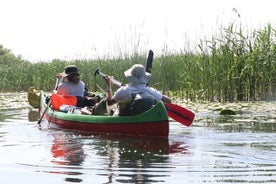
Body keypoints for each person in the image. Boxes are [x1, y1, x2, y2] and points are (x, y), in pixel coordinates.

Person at [103, 64, 171, 116]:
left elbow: (109, 103)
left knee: (118, 108)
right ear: (144, 77)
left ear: (131, 77)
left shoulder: (123, 91)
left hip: (127, 119)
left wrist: (109, 85)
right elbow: (168, 101)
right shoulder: (151, 91)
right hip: (146, 119)